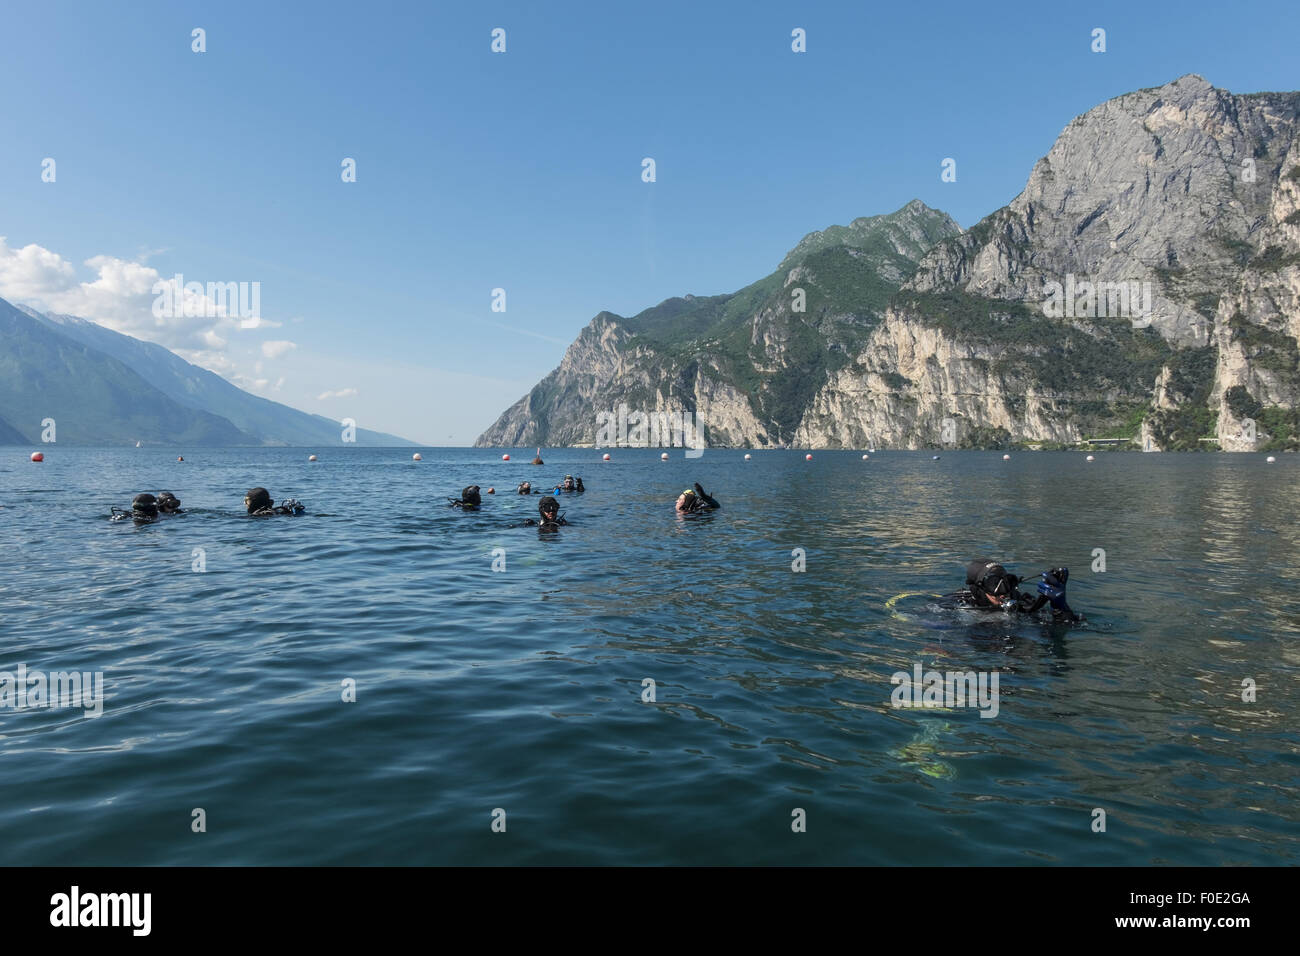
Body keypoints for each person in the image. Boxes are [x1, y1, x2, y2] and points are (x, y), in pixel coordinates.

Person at [952, 558, 1080, 623]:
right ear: (978, 589)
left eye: (1006, 582)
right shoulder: (960, 606)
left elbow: (1066, 629)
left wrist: (1060, 607)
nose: (1004, 592)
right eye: (994, 584)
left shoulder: (1022, 603)